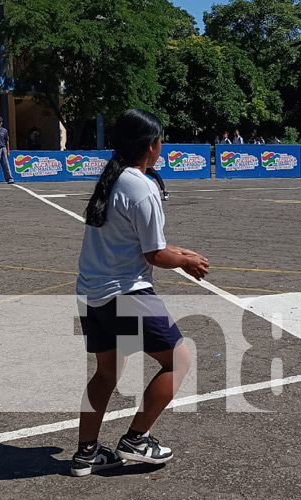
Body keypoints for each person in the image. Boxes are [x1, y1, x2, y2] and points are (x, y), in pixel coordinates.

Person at [72, 109, 209, 477]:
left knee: (106, 373)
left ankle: (86, 453)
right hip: (125, 293)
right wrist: (184, 263)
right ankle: (136, 438)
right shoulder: (142, 187)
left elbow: (140, 242)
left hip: (92, 291)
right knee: (178, 360)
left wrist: (181, 253)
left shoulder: (115, 179)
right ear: (151, 145)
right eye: (160, 139)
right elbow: (153, 254)